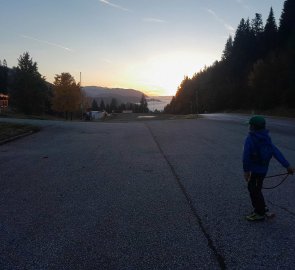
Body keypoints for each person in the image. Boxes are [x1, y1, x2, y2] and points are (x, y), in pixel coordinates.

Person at [243, 116, 294, 221]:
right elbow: (276, 152)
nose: (249, 127)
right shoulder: (266, 138)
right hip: (263, 171)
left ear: (252, 127)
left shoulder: (250, 139)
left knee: (254, 190)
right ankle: (262, 207)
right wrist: (287, 166)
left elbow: (246, 157)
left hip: (255, 171)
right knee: (255, 188)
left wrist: (246, 171)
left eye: (250, 125)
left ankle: (259, 212)